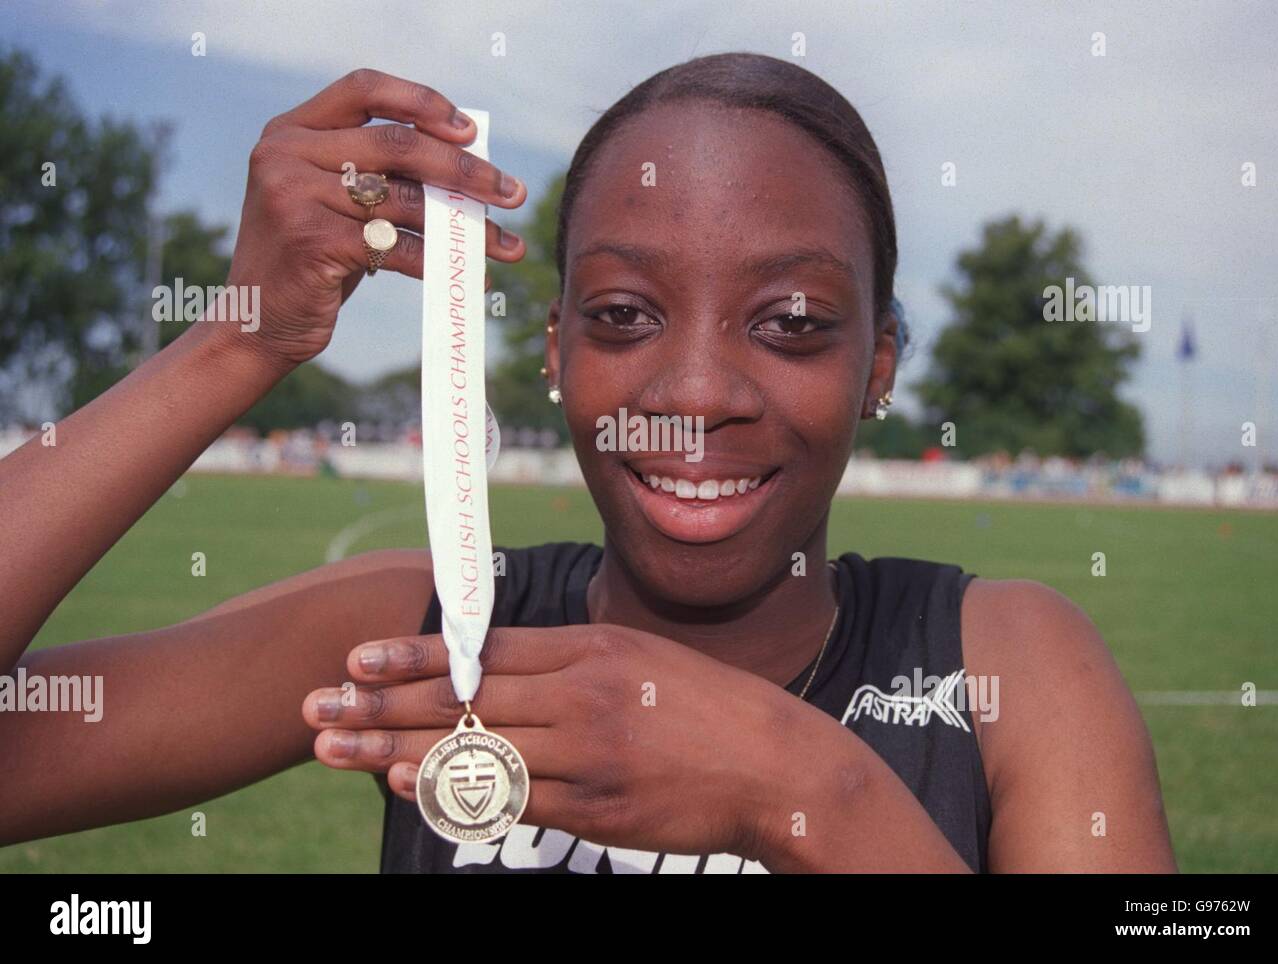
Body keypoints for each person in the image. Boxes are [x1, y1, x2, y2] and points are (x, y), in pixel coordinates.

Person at [0, 52, 1177, 874]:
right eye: (622, 315)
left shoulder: (1008, 664)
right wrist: (239, 340)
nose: (695, 395)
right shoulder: (432, 635)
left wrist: (802, 791)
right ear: (556, 350)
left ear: (878, 365)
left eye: (791, 322)